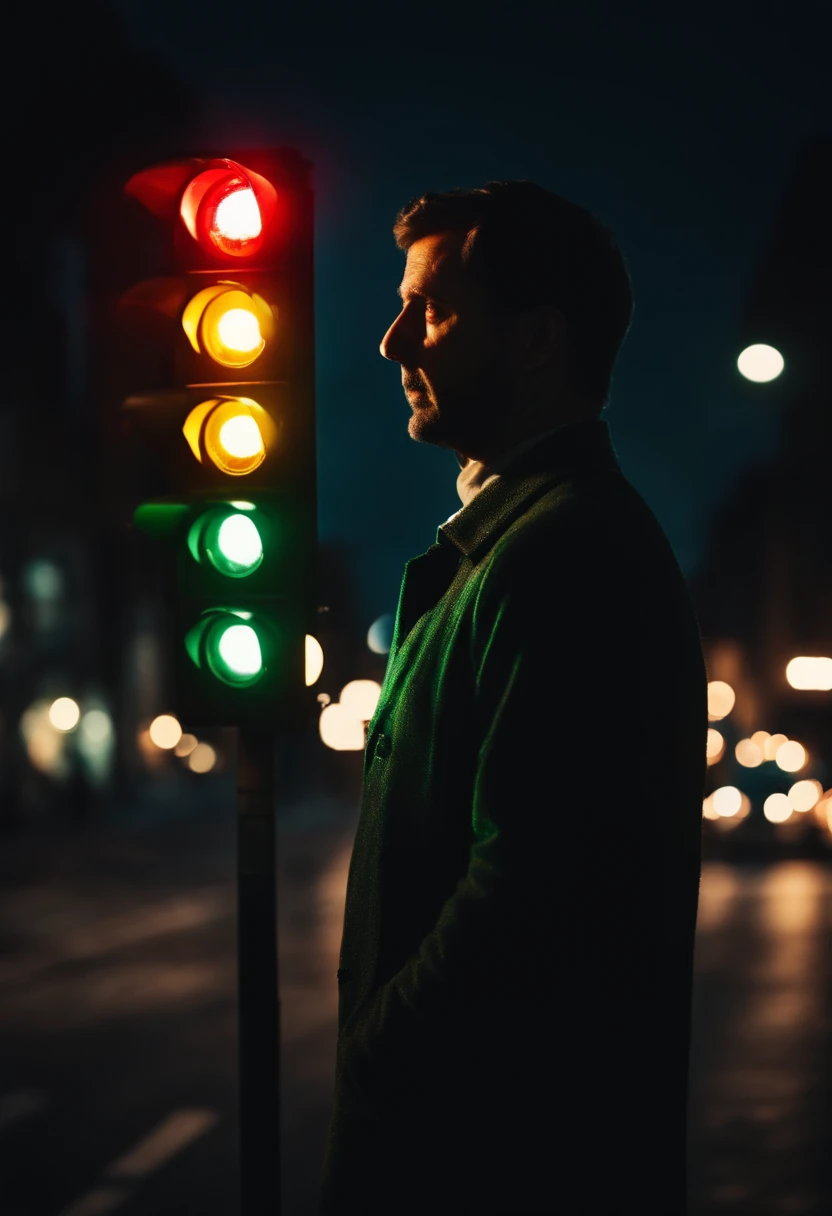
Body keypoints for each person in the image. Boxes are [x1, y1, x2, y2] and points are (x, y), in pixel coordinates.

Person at [319, 181, 707, 1215]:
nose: (394, 341)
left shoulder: (566, 553)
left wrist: (379, 1059)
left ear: (537, 336)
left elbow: (533, 889)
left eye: (431, 310)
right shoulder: (529, 545)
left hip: (488, 1165)